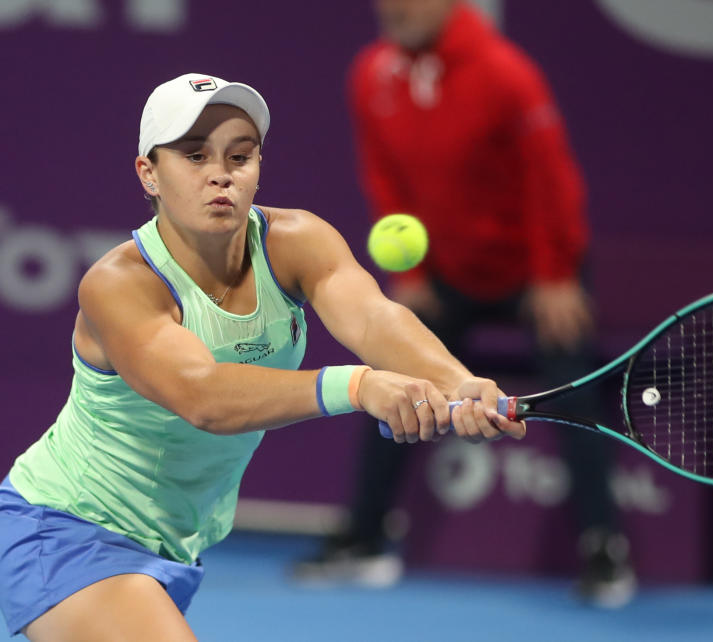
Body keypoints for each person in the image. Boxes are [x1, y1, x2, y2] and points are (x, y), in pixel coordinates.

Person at [0, 72, 525, 641]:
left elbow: (374, 317)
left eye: (239, 156)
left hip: (170, 544)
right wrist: (357, 386)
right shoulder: (118, 285)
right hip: (62, 529)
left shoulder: (297, 241)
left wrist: (457, 381)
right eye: (194, 156)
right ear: (148, 173)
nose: (220, 174)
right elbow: (202, 396)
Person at [293, 0, 636, 607]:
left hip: (535, 273)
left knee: (574, 395)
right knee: (391, 379)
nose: (392, 7)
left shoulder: (507, 73)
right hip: (447, 273)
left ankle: (604, 547)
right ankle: (366, 538)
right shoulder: (370, 74)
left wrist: (555, 275)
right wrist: (417, 272)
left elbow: (551, 180)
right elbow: (384, 177)